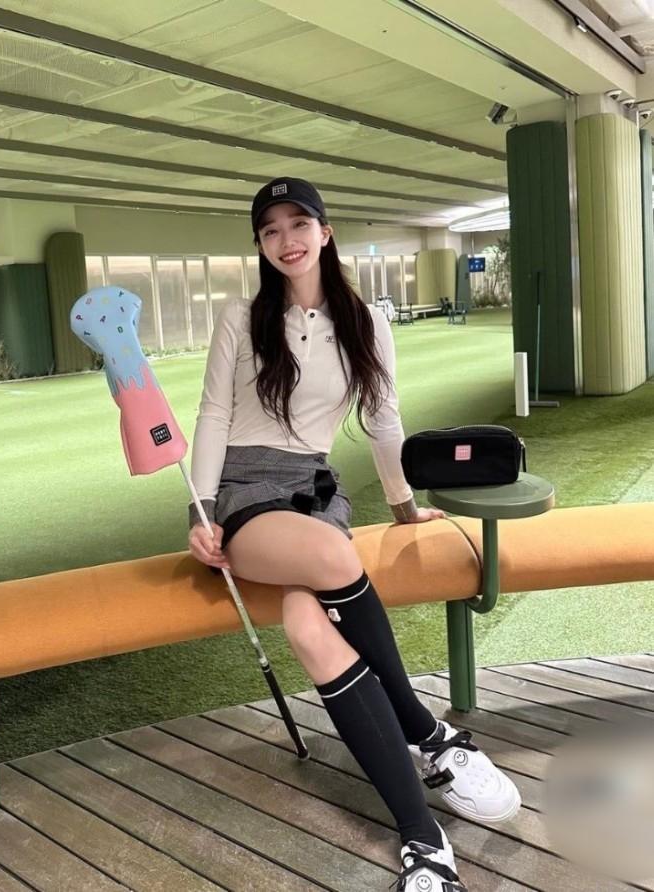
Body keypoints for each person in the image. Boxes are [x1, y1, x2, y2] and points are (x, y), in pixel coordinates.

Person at [187, 177, 520, 891]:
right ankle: (426, 731)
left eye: (298, 223)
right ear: (260, 243)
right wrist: (201, 511)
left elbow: (382, 419)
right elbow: (213, 415)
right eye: (270, 229)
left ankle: (423, 840)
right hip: (245, 493)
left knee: (309, 631)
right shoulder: (240, 317)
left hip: (314, 491)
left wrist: (403, 507)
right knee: (330, 554)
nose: (286, 239)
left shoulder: (366, 321)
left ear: (325, 231)